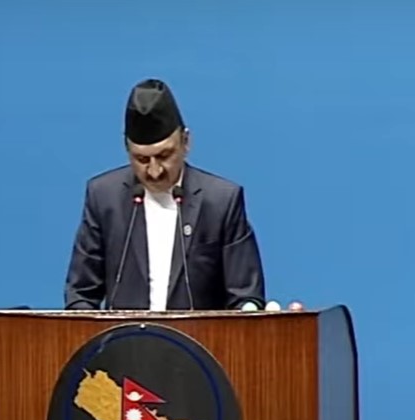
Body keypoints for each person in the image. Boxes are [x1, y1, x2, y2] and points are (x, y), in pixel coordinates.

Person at [64, 78, 266, 311]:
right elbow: (80, 294)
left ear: (185, 142)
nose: (154, 171)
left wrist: (249, 309)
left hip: (199, 335)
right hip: (124, 335)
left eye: (164, 156)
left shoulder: (221, 201)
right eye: (142, 159)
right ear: (127, 149)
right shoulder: (104, 197)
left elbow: (245, 296)